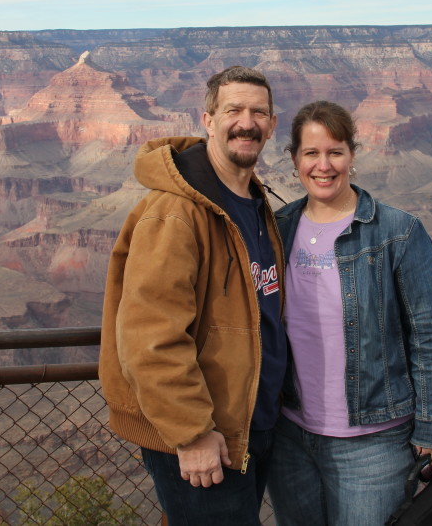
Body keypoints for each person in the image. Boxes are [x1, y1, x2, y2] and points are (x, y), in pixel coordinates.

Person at [98, 65, 287, 525]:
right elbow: (150, 335)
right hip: (207, 436)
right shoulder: (177, 212)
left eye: (259, 112)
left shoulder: (254, 203)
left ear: (273, 124)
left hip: (251, 423)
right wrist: (192, 433)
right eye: (233, 110)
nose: (247, 122)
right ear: (207, 120)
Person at [266, 100, 432, 525]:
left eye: (335, 152)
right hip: (290, 435)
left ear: (353, 155)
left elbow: (428, 334)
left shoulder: (398, 232)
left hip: (373, 443)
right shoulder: (279, 229)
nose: (324, 165)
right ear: (294, 158)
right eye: (311, 153)